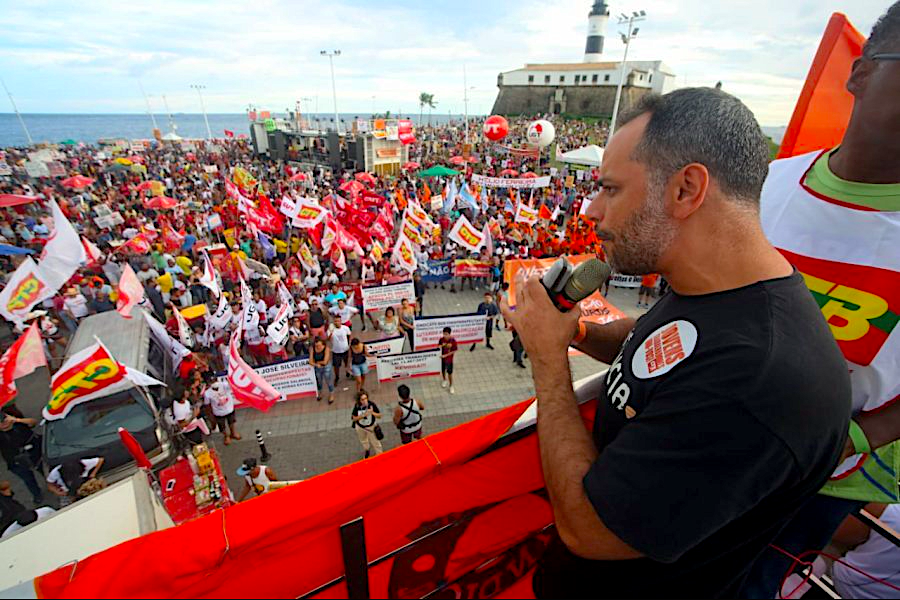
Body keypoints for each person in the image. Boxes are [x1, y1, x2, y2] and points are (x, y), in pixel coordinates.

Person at [500, 88, 850, 598]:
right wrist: (574, 331)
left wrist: (548, 359)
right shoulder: (711, 288)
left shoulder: (760, 378)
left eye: (611, 189)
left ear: (686, 189)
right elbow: (653, 347)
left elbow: (591, 529)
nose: (591, 209)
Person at [744, 6, 900, 595]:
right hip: (719, 441)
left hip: (826, 481)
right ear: (860, 73)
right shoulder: (765, 185)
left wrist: (856, 439)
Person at [0, 411, 43, 504]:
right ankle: (37, 494)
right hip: (16, 461)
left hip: (34, 454)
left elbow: (33, 422)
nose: (3, 423)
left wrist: (17, 420)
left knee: (45, 471)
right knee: (28, 479)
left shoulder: (19, 424)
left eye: (4, 420)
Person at [203, 375, 241, 446]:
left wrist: (229, 380)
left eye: (215, 380)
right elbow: (207, 404)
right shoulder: (207, 393)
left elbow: (232, 386)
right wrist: (211, 416)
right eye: (211, 382)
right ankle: (226, 436)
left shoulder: (224, 385)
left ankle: (233, 433)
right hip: (218, 412)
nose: (214, 383)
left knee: (232, 422)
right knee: (222, 426)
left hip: (229, 409)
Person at [351, 390, 383, 458]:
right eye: (362, 399)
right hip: (360, 427)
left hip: (370, 427)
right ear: (359, 400)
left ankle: (379, 456)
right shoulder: (357, 406)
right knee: (363, 440)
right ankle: (367, 449)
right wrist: (363, 415)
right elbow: (354, 418)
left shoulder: (372, 404)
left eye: (366, 398)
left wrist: (372, 413)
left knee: (376, 442)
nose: (365, 401)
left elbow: (379, 416)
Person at [327, 314, 352, 384]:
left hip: (345, 350)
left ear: (341, 321)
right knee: (336, 366)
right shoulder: (330, 329)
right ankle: (337, 377)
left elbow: (349, 335)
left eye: (338, 321)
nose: (337, 322)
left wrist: (349, 345)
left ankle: (348, 372)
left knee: (347, 363)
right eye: (335, 321)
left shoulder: (345, 328)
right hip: (336, 351)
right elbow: (328, 339)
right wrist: (331, 332)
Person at [310, 338, 335, 404]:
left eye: (319, 345)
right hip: (318, 367)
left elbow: (325, 361)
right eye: (316, 346)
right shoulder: (313, 349)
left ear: (323, 344)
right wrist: (316, 364)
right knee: (319, 381)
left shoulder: (326, 349)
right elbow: (310, 361)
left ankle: (331, 394)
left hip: (326, 367)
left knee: (329, 381)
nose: (318, 347)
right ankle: (320, 393)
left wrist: (317, 362)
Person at [439, 327, 457, 395]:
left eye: (446, 334)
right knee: (443, 370)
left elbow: (454, 351)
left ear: (449, 334)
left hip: (449, 360)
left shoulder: (453, 341)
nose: (444, 335)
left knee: (449, 373)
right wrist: (440, 346)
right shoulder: (441, 339)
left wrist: (446, 355)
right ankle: (444, 380)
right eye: (444, 334)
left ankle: (451, 385)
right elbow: (439, 346)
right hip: (442, 359)